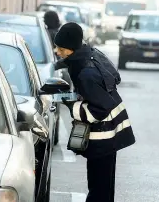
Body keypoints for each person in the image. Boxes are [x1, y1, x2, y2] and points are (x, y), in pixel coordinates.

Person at [53, 22, 136, 202]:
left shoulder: (86, 74)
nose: (57, 51)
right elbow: (114, 79)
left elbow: (99, 109)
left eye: (60, 48)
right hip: (111, 133)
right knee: (104, 187)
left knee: (98, 190)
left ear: (72, 48)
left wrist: (71, 104)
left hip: (103, 136)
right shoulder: (90, 54)